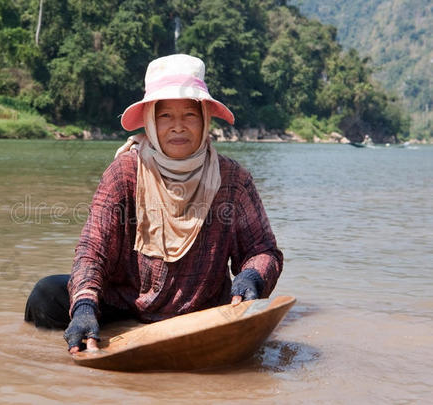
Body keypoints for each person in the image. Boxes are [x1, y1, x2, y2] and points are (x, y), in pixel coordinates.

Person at [24, 54, 283, 354]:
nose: (178, 127)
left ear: (204, 120)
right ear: (149, 121)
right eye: (165, 116)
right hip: (126, 304)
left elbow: (263, 250)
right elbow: (92, 251)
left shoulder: (233, 180)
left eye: (189, 115)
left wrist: (252, 276)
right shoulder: (124, 173)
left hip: (202, 312)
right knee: (45, 295)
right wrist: (83, 306)